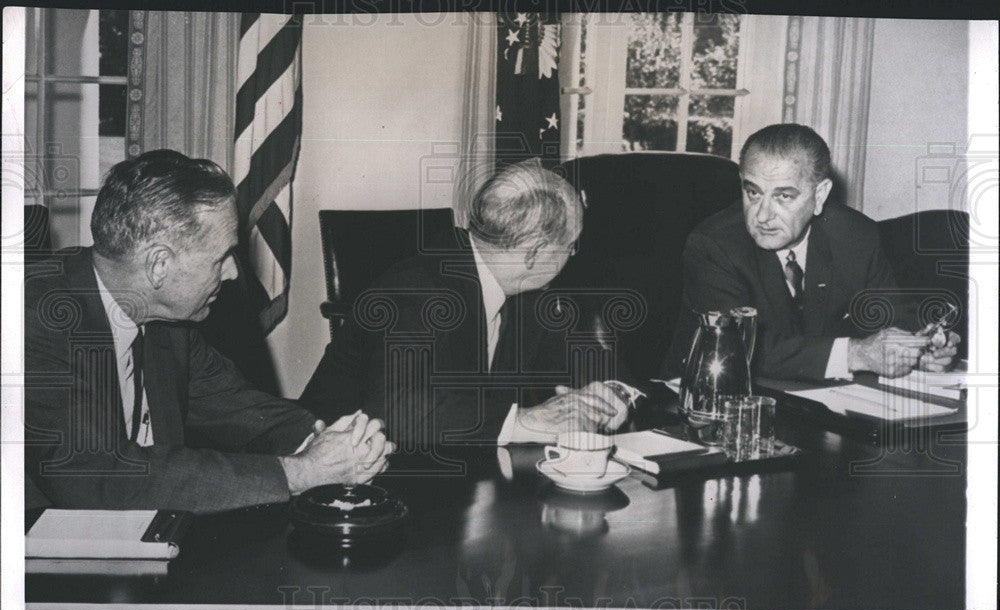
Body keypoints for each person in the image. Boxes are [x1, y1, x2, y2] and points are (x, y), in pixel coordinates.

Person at [25, 150, 393, 513]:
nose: (234, 273)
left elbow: (240, 409)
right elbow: (96, 475)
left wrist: (333, 441)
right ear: (159, 265)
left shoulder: (167, 320)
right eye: (221, 258)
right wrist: (298, 473)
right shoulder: (32, 319)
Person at [300, 159, 629, 454]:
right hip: (343, 471)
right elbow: (394, 408)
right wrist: (528, 421)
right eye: (570, 247)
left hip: (456, 470)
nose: (572, 257)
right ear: (535, 253)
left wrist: (606, 396)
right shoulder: (418, 286)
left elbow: (574, 364)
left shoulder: (524, 290)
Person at [666, 124, 959, 381]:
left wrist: (923, 345)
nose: (763, 215)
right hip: (709, 402)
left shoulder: (855, 236)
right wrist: (856, 354)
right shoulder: (713, 245)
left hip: (813, 400)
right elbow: (740, 348)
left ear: (819, 195)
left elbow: (891, 314)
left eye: (783, 196)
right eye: (753, 192)